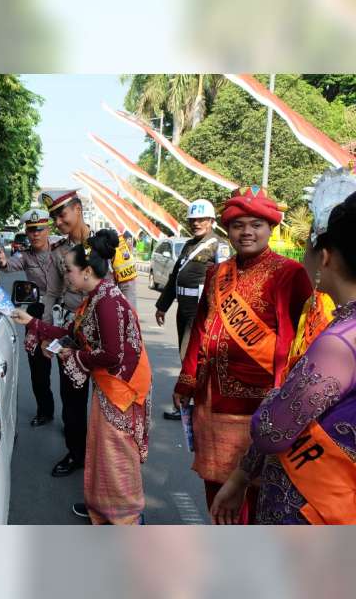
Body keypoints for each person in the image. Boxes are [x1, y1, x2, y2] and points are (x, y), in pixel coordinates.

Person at [211, 168, 356, 525]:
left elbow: (272, 428)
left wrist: (272, 400)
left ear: (325, 256)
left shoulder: (341, 341)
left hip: (312, 505)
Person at [173, 185, 312, 523]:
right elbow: (202, 331)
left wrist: (287, 397)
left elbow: (305, 338)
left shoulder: (289, 274)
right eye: (238, 225)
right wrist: (186, 381)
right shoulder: (217, 273)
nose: (246, 232)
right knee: (214, 488)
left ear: (271, 228)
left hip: (259, 404)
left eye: (256, 224)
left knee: (254, 492)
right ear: (228, 229)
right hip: (211, 400)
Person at [11, 229, 152, 524]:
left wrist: (72, 356)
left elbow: (112, 355)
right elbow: (71, 333)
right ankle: (103, 509)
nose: (67, 278)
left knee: (117, 457)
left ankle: (127, 519)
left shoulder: (107, 303)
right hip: (109, 386)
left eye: (69, 271)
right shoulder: (95, 298)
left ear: (87, 271)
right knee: (102, 451)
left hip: (122, 389)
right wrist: (34, 322)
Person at [155, 199, 225, 420]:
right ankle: (191, 402)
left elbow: (224, 281)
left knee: (192, 359)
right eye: (193, 220)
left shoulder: (218, 245)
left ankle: (189, 405)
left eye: (201, 219)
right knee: (185, 357)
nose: (196, 223)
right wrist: (162, 306)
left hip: (201, 312)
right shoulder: (188, 245)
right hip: (183, 311)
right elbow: (175, 276)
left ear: (212, 221)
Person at [41, 188, 93, 477]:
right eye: (54, 218)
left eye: (62, 214)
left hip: (104, 334)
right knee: (72, 398)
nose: (59, 222)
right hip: (71, 333)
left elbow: (127, 289)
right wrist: (47, 332)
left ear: (78, 209)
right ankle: (76, 454)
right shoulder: (58, 251)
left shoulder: (108, 244)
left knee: (106, 400)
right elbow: (51, 293)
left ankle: (104, 458)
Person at [0, 208, 60, 426]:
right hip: (37, 313)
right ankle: (45, 411)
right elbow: (10, 265)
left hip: (63, 313)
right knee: (38, 369)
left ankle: (74, 421)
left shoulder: (61, 249)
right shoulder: (24, 255)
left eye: (40, 229)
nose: (35, 234)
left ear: (48, 229)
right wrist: (3, 262)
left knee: (69, 367)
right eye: (31, 230)